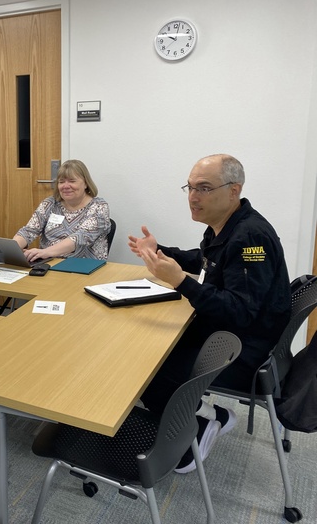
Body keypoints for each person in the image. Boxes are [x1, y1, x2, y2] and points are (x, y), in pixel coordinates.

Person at [128, 154, 290, 473]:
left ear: (233, 190)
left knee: (150, 368)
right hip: (228, 332)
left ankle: (191, 440)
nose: (193, 196)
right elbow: (205, 261)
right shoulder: (223, 225)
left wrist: (179, 281)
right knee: (146, 342)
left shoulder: (249, 237)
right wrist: (160, 252)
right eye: (189, 187)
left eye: (203, 188)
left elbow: (240, 312)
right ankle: (207, 414)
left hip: (245, 349)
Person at [14, 159, 110, 262]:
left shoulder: (99, 207)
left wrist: (45, 252)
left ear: (86, 183)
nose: (65, 186)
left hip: (84, 265)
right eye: (61, 182)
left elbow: (80, 238)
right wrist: (11, 248)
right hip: (47, 263)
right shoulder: (50, 204)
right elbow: (29, 231)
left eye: (72, 181)